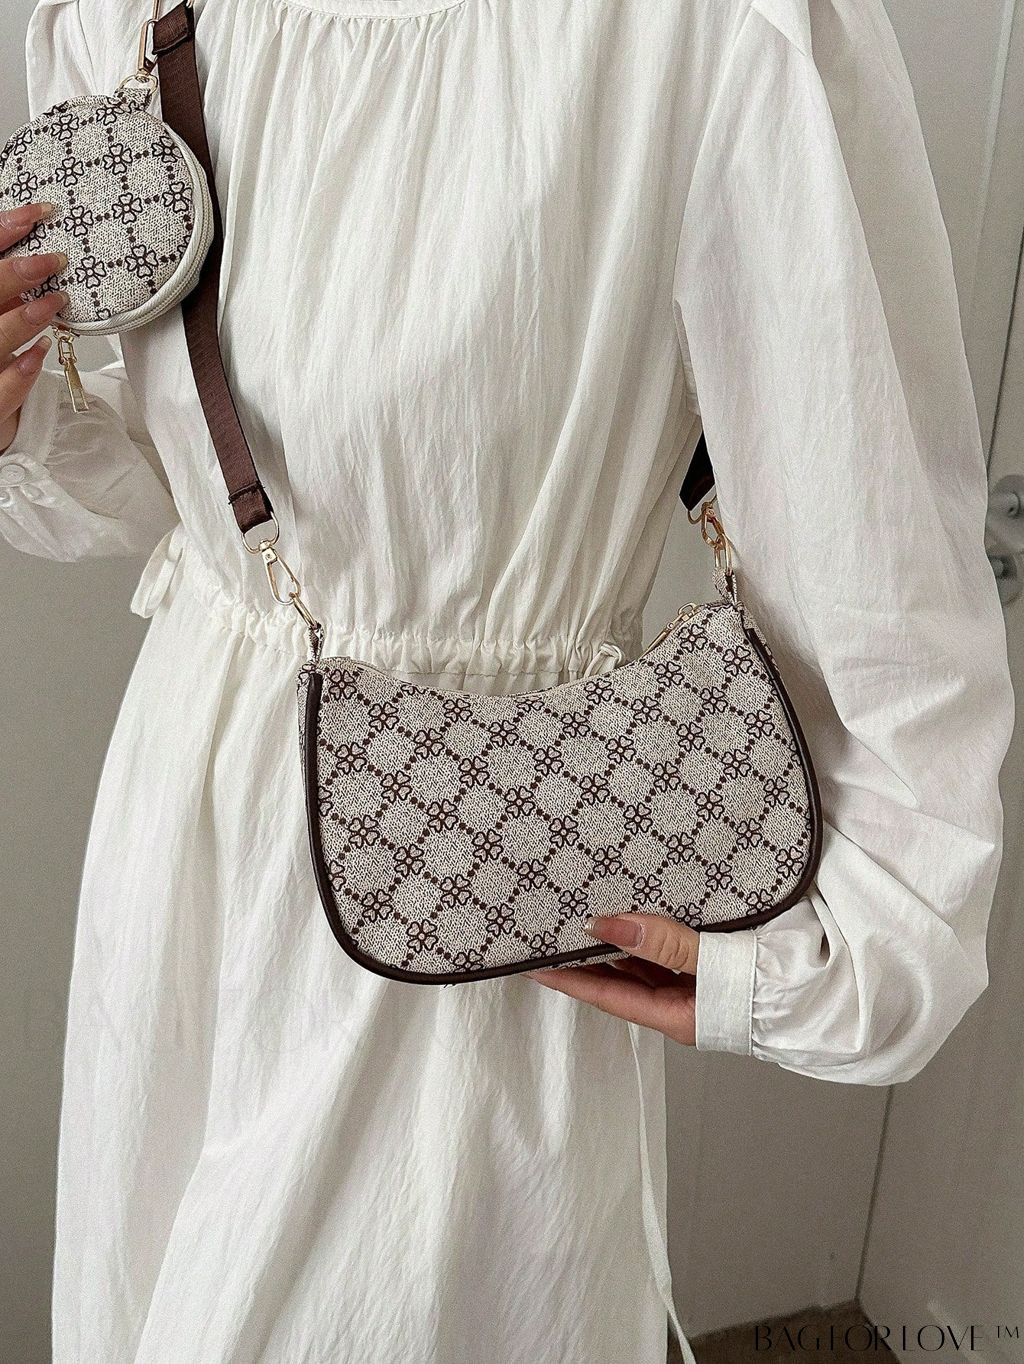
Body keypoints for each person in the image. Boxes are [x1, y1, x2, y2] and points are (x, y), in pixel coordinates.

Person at [0, 0, 1014, 1361]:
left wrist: (819, 966)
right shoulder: (124, 16)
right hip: (192, 826)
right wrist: (21, 414)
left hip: (482, 874)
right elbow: (156, 487)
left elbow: (877, 555)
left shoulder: (718, 28)